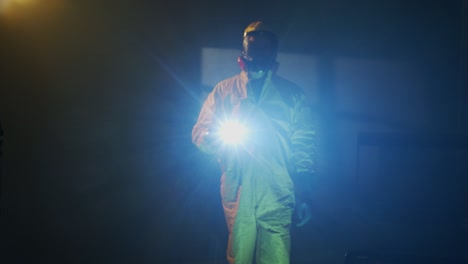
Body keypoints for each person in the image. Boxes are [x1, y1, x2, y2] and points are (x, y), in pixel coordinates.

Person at [192, 21, 316, 264]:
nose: (258, 54)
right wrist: (214, 138)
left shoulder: (292, 96)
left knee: (276, 258)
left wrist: (304, 194)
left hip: (278, 193)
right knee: (239, 257)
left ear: (273, 52)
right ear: (244, 50)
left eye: (264, 48)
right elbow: (200, 132)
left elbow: (304, 146)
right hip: (238, 191)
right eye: (253, 47)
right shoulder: (224, 91)